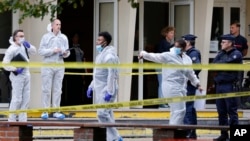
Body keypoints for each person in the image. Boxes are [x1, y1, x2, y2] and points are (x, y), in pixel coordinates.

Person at [138, 39, 202, 125]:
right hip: (170, 85)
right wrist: (143, 54)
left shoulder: (187, 59)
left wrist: (197, 84)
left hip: (181, 87)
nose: (176, 48)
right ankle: (174, 130)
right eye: (175, 46)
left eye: (178, 47)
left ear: (183, 48)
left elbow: (190, 73)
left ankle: (172, 129)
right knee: (179, 110)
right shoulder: (169, 55)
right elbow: (156, 56)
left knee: (176, 110)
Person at [86, 31, 123, 141]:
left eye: (99, 40)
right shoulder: (101, 55)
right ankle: (111, 138)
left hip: (107, 88)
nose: (97, 42)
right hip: (100, 88)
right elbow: (98, 74)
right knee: (108, 114)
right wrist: (91, 86)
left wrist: (109, 91)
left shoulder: (109, 56)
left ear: (105, 42)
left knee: (102, 113)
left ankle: (116, 137)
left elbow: (112, 75)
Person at [212, 34, 243, 141]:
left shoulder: (236, 54)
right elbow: (213, 64)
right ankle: (224, 134)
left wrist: (220, 64)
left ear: (230, 43)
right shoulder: (221, 54)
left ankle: (236, 136)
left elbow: (228, 62)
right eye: (221, 42)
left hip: (230, 85)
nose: (221, 44)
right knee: (221, 111)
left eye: (224, 42)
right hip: (220, 85)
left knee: (232, 111)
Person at [38, 19, 70, 120]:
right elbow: (41, 51)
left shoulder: (63, 37)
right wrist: (52, 50)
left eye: (60, 24)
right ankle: (45, 110)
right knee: (46, 89)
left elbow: (67, 52)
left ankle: (56, 110)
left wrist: (65, 53)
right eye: (56, 24)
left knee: (58, 89)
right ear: (52, 26)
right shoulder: (46, 37)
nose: (58, 26)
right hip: (48, 64)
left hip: (59, 64)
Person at [2, 29, 36, 122]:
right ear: (15, 37)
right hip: (17, 76)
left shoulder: (24, 46)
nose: (22, 38)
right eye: (20, 36)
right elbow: (5, 63)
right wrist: (15, 69)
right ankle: (11, 119)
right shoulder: (11, 49)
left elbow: (34, 51)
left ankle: (22, 120)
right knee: (17, 98)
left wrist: (28, 45)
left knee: (26, 98)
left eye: (23, 36)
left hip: (26, 74)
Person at [182, 34, 201, 139]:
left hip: (190, 84)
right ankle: (192, 132)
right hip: (188, 84)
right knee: (190, 108)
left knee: (187, 108)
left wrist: (188, 76)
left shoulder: (193, 53)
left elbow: (197, 67)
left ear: (188, 42)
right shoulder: (187, 53)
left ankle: (188, 131)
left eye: (184, 41)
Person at [63, 32, 86, 105]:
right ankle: (71, 103)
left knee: (79, 87)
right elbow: (67, 60)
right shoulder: (70, 49)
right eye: (75, 37)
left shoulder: (80, 49)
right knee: (71, 87)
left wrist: (83, 72)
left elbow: (82, 61)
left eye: (77, 37)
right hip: (72, 71)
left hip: (79, 70)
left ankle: (78, 102)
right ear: (72, 39)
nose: (76, 39)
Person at [230, 21, 249, 108]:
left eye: (233, 27)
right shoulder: (228, 38)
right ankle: (229, 101)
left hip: (238, 65)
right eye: (231, 28)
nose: (231, 29)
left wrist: (239, 56)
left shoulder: (243, 40)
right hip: (229, 65)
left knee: (239, 83)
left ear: (238, 28)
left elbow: (245, 52)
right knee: (229, 83)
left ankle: (239, 103)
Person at [156, 26, 175, 108]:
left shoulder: (168, 43)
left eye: (173, 33)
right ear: (166, 34)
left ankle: (165, 101)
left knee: (165, 83)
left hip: (165, 66)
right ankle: (162, 102)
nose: (172, 35)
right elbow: (163, 54)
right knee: (162, 83)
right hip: (160, 66)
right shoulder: (163, 43)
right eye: (171, 33)